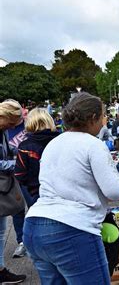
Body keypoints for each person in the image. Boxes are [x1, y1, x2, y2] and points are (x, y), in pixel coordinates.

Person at [23, 92, 119, 284]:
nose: (104, 122)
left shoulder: (54, 143)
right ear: (93, 118)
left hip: (34, 226)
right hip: (71, 228)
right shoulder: (92, 144)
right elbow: (114, 191)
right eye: (103, 116)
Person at [11, 108, 60, 259]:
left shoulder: (25, 146)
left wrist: (31, 183)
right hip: (61, 194)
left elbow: (19, 174)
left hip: (37, 194)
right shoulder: (61, 140)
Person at [0, 99, 27, 283]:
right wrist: (17, 164)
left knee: (1, 231)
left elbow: (9, 150)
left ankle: (1, 269)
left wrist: (23, 151)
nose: (11, 127)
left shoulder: (2, 130)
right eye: (10, 123)